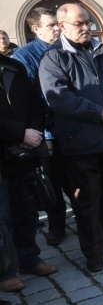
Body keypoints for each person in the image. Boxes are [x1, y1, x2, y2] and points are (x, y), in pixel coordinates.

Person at [40, 3, 103, 273]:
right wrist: (100, 114)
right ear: (62, 26)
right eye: (79, 24)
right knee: (87, 201)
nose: (86, 28)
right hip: (81, 143)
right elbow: (59, 99)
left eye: (88, 22)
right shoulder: (54, 58)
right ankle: (94, 250)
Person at [0, 53, 58, 292]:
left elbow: (35, 102)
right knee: (2, 217)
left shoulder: (13, 66)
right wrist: (19, 133)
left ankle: (29, 258)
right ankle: (5, 271)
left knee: (27, 210)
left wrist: (32, 132)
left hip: (23, 154)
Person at [13, 7, 70, 245]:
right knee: (52, 180)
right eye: (51, 25)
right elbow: (30, 96)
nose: (57, 28)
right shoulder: (23, 57)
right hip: (47, 130)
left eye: (58, 23)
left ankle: (88, 218)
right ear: (36, 29)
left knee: (77, 176)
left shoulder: (66, 48)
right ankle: (57, 225)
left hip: (72, 125)